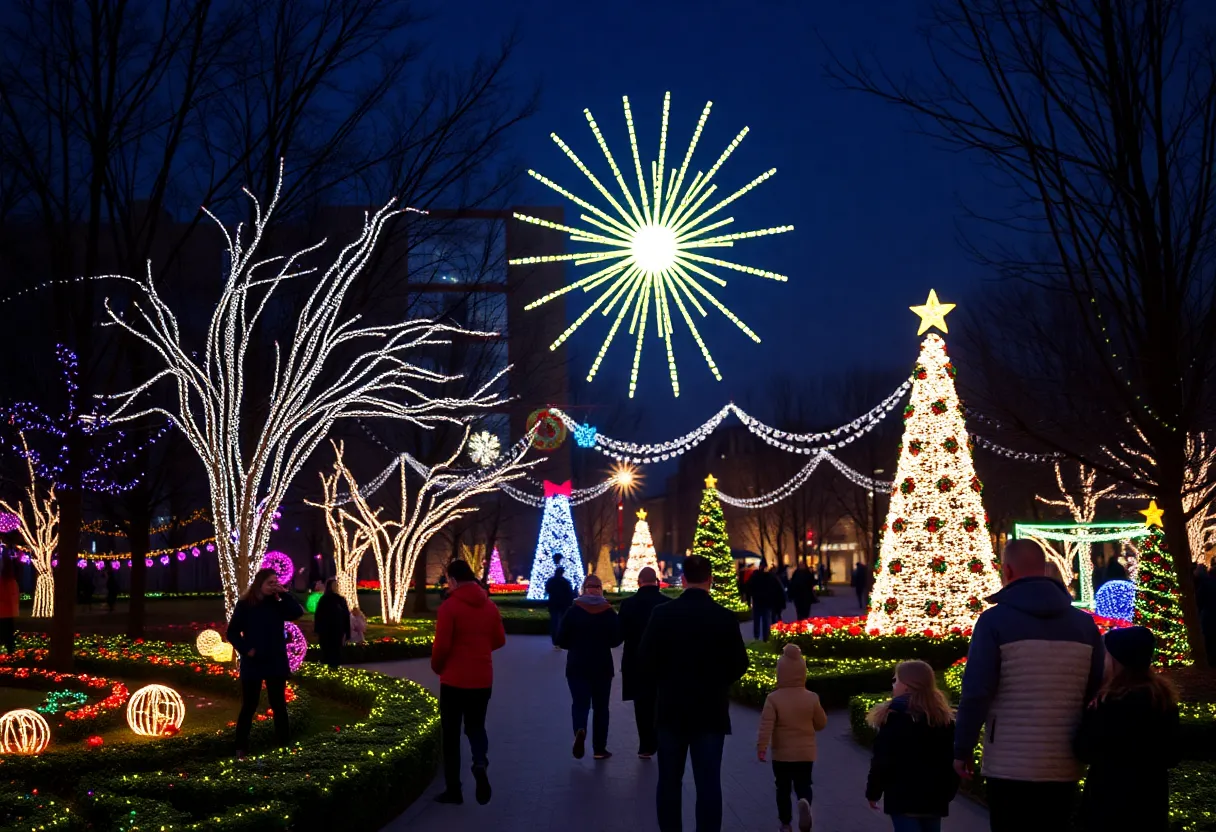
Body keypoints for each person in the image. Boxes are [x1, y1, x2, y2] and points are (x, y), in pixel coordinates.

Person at [954, 539, 1104, 832]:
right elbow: (1094, 690)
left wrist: (962, 749)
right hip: (1065, 760)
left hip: (1009, 764)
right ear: (1047, 570)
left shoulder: (994, 621)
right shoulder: (1085, 625)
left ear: (1007, 570)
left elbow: (977, 692)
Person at [639, 554, 749, 832]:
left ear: (683, 580)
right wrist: (717, 682)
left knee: (669, 782)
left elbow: (646, 659)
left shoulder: (662, 614)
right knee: (709, 782)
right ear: (710, 581)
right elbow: (739, 663)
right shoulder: (724, 617)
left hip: (671, 711)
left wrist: (666, 681)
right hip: (710, 712)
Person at [1075, 626, 1180, 832]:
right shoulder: (1162, 699)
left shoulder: (1109, 703)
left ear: (1116, 661)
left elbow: (1084, 749)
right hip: (1151, 797)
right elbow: (1172, 754)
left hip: (1109, 798)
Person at [431, 559, 506, 806]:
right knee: (476, 726)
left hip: (453, 679)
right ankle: (480, 761)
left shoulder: (449, 608)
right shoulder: (490, 606)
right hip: (482, 678)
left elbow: (441, 646)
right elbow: (499, 640)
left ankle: (454, 790)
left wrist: (438, 666)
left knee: (451, 735)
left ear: (452, 580)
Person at [865, 660, 959, 832]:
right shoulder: (943, 720)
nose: (893, 685)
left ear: (907, 686)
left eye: (895, 680)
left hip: (903, 798)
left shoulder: (894, 718)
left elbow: (881, 761)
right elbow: (952, 760)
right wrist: (947, 793)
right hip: (934, 800)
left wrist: (873, 792)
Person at [226, 567, 305, 759]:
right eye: (270, 582)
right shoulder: (245, 605)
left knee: (279, 704)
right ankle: (241, 746)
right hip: (254, 662)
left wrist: (284, 594)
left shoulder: (277, 603)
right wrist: (247, 650)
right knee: (249, 706)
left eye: (276, 582)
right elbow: (232, 633)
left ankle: (284, 744)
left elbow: (296, 612)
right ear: (259, 584)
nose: (274, 585)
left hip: (275, 660)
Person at [756, 643, 826, 832]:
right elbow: (822, 723)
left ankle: (786, 823)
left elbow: (766, 725)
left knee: (782, 788)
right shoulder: (811, 697)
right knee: (804, 783)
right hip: (805, 753)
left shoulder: (773, 698)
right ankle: (805, 803)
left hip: (782, 755)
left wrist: (762, 747)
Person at [557, 573, 622, 760]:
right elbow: (616, 640)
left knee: (580, 703)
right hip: (602, 666)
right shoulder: (608, 612)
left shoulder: (574, 610)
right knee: (601, 708)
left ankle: (580, 729)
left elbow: (561, 639)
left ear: (584, 589)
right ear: (600, 590)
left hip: (577, 665)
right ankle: (600, 749)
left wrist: (574, 644)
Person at [618, 565, 670, 758]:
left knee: (641, 705)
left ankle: (645, 746)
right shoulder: (667, 604)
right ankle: (658, 740)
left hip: (635, 662)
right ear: (656, 582)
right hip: (661, 663)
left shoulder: (627, 605)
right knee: (659, 701)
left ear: (638, 582)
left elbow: (619, 635)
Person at [312, 579, 351, 669]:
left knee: (336, 652)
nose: (336, 587)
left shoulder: (341, 600)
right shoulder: (324, 600)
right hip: (326, 631)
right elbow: (318, 615)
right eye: (334, 585)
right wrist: (317, 630)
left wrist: (347, 632)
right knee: (328, 652)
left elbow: (346, 616)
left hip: (338, 630)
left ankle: (335, 667)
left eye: (337, 585)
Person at [747, 561, 783, 641]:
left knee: (759, 621)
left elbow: (749, 589)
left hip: (759, 602)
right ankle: (765, 638)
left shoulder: (755, 576)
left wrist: (749, 600)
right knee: (765, 621)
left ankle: (758, 637)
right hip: (766, 602)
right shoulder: (770, 577)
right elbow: (777, 590)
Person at [544, 560, 575, 649]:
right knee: (561, 622)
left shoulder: (551, 581)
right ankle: (559, 640)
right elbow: (570, 594)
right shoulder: (565, 582)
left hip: (553, 604)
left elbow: (547, 590)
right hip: (563, 605)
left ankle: (555, 639)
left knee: (554, 622)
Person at [0, 552, 18, 653]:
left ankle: (10, 649)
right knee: (8, 631)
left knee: (5, 630)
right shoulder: (11, 580)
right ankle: (10, 649)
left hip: (5, 609)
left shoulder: (7, 581)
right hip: (8, 610)